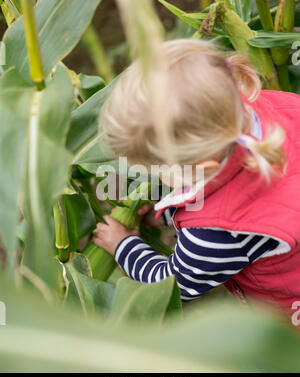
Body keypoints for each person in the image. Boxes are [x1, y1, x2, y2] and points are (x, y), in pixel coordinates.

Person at [92, 39, 300, 324]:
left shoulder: (215, 233)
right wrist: (167, 213)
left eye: (159, 169)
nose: (155, 176)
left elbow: (173, 285)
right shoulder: (267, 107)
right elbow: (228, 187)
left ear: (203, 167)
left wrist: (123, 245)